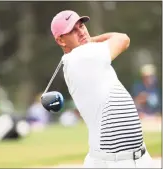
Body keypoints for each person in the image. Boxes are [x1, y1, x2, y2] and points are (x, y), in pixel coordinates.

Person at [50, 10, 153, 168]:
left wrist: (89, 41)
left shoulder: (87, 56)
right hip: (113, 162)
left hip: (139, 158)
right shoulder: (81, 56)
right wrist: (91, 40)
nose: (81, 31)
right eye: (73, 30)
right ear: (61, 40)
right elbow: (123, 38)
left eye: (81, 26)